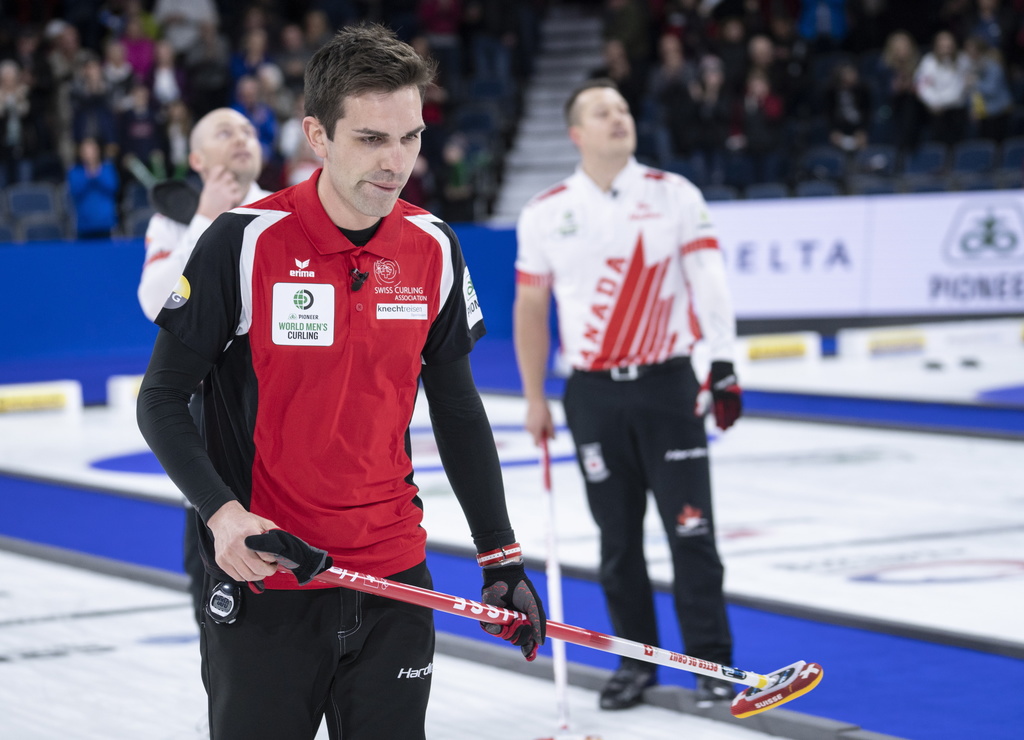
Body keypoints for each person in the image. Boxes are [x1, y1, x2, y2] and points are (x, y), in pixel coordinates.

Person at [136, 24, 545, 740]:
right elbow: (162, 397)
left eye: (411, 138)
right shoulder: (243, 240)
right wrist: (221, 514)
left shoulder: (434, 247)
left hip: (393, 579)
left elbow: (457, 409)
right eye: (371, 140)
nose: (397, 164)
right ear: (317, 136)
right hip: (271, 576)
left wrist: (500, 553)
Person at [513, 78, 741, 712]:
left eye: (623, 107)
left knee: (692, 533)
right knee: (617, 542)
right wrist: (535, 396)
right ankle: (635, 663)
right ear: (576, 134)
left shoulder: (674, 195)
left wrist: (721, 360)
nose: (619, 117)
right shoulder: (546, 210)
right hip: (591, 395)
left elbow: (709, 278)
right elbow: (530, 307)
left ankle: (711, 663)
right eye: (601, 111)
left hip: (668, 385)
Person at [136, 106, 271, 624]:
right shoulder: (171, 222)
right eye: (224, 131)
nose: (240, 138)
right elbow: (155, 300)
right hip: (210, 404)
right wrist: (205, 220)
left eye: (247, 131)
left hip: (280, 399)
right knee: (209, 540)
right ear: (196, 157)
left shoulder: (287, 210)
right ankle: (220, 682)